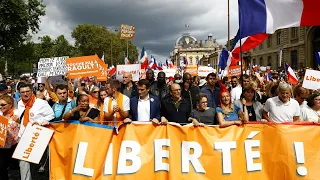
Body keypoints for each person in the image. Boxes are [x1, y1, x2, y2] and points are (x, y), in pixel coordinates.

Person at [17, 83, 54, 180]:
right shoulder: (20, 103)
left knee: (37, 163)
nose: (25, 94)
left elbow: (51, 115)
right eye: (22, 92)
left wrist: (40, 122)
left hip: (37, 136)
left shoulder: (41, 103)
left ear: (32, 91)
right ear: (19, 93)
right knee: (23, 162)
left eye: (27, 91)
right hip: (23, 136)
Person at [0, 95, 20, 180]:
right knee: (1, 168)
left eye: (3, 105)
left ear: (10, 105)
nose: (1, 107)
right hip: (2, 147)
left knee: (15, 169)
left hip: (14, 147)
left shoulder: (16, 115)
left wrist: (18, 121)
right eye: (0, 105)